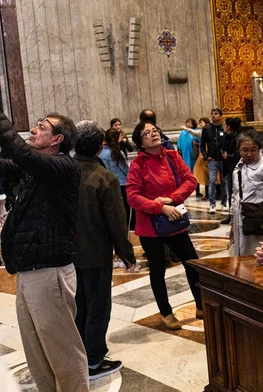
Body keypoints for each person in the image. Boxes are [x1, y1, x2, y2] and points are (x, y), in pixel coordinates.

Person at [0, 112, 89, 391]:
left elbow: (23, 154)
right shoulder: (33, 169)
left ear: (57, 139)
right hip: (28, 272)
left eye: (42, 126)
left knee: (62, 351)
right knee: (36, 351)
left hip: (49, 273)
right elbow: (10, 160)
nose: (34, 129)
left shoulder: (64, 166)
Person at [74, 121, 137, 380]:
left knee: (78, 306)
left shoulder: (62, 172)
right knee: (98, 307)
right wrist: (127, 253)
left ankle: (78, 356)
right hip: (96, 252)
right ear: (100, 146)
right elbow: (116, 222)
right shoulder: (104, 178)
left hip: (67, 255)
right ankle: (94, 360)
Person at [127, 121, 201, 330]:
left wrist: (171, 200)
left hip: (175, 220)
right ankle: (166, 312)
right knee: (158, 270)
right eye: (147, 133)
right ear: (140, 142)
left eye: (155, 130)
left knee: (193, 263)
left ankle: (201, 304)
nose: (153, 134)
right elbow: (133, 196)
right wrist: (159, 208)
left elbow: (190, 180)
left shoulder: (172, 156)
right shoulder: (138, 165)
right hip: (150, 227)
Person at [100, 129, 133, 235]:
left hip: (107, 184)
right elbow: (125, 170)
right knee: (126, 212)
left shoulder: (100, 153)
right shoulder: (117, 152)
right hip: (122, 184)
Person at [201, 108, 227, 213]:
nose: (213, 116)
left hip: (223, 159)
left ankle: (224, 202)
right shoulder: (207, 129)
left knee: (224, 181)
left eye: (216, 114)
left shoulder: (224, 128)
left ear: (220, 116)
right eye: (212, 114)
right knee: (212, 181)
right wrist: (206, 156)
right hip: (212, 159)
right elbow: (202, 144)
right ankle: (212, 204)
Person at [220, 117, 242, 225]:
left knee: (235, 193)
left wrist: (227, 156)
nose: (224, 127)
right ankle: (231, 215)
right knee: (230, 194)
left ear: (229, 127)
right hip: (228, 169)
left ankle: (236, 215)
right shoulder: (226, 137)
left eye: (225, 125)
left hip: (235, 169)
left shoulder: (237, 138)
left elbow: (238, 155)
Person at [192, 117, 210, 198]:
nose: (200, 124)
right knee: (203, 175)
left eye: (201, 122)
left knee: (209, 176)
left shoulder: (208, 131)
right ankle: (205, 193)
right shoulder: (202, 131)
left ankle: (210, 194)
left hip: (208, 156)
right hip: (203, 156)